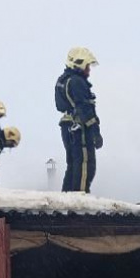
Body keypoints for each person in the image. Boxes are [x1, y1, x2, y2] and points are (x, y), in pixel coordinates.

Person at [54, 47, 102, 192]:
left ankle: (67, 198)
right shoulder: (76, 82)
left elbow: (59, 105)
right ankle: (79, 199)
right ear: (79, 63)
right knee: (85, 164)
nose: (89, 70)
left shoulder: (62, 80)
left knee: (73, 164)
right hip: (79, 128)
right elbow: (85, 109)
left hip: (67, 126)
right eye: (87, 66)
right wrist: (95, 133)